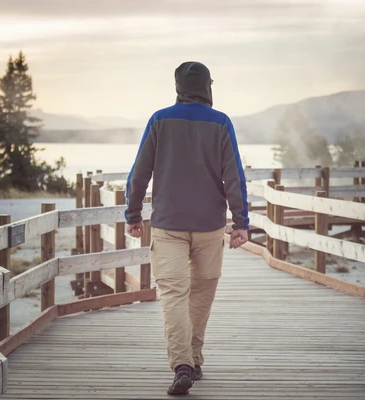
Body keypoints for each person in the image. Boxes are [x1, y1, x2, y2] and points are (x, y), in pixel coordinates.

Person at [124, 61, 249, 396]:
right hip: (210, 227)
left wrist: (133, 214)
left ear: (178, 86)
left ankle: (184, 363)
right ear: (208, 86)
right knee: (201, 295)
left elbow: (140, 172)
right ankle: (191, 360)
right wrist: (241, 223)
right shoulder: (221, 123)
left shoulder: (160, 120)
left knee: (174, 295)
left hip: (168, 226)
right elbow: (234, 175)